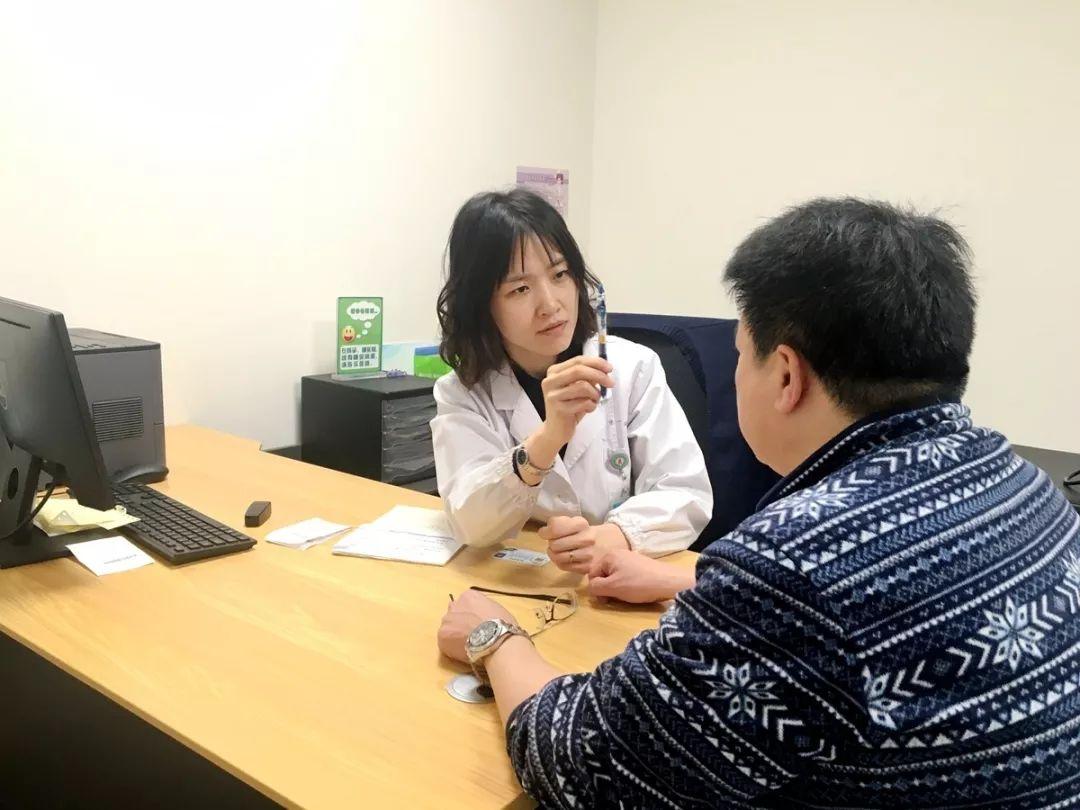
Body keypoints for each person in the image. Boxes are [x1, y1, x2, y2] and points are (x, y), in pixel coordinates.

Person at [436, 198, 1080, 808]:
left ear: (787, 376)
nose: (549, 301)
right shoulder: (1029, 488)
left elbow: (585, 763)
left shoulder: (792, 566)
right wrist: (687, 579)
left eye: (741, 354)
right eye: (519, 288)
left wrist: (495, 639)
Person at [431, 189, 712, 572]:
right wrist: (548, 439)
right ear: (481, 305)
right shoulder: (464, 392)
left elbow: (685, 489)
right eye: (520, 289)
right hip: (522, 576)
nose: (551, 304)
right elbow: (470, 524)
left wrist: (618, 536)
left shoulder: (633, 367)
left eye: (560, 274)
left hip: (623, 574)